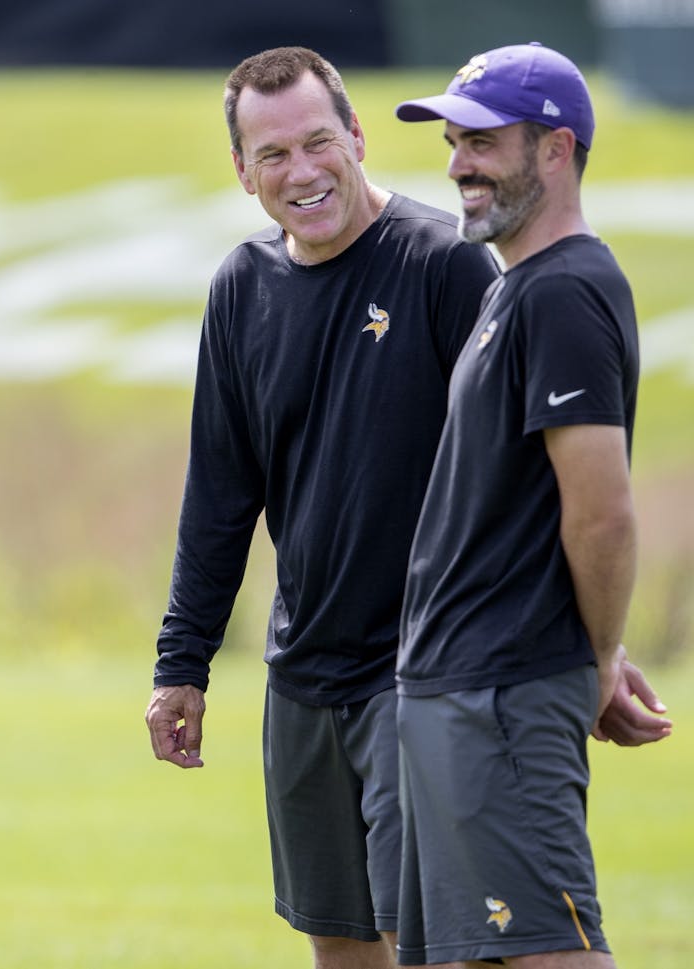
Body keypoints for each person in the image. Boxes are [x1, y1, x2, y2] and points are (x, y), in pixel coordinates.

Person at [143, 47, 501, 968]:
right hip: (302, 677)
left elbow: (521, 474)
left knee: (431, 943)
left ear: (356, 135)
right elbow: (221, 494)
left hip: (421, 675)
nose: (301, 173)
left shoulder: (445, 269)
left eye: (316, 143)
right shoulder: (240, 288)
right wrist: (183, 662)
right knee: (339, 944)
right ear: (242, 171)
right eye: (273, 156)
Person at [393, 42, 673, 968]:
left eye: (482, 141)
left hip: (502, 692)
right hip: (461, 690)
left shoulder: (563, 295)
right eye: (453, 141)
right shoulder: (516, 288)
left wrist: (597, 657)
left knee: (553, 953)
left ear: (555, 150)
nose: (457, 163)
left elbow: (602, 512)